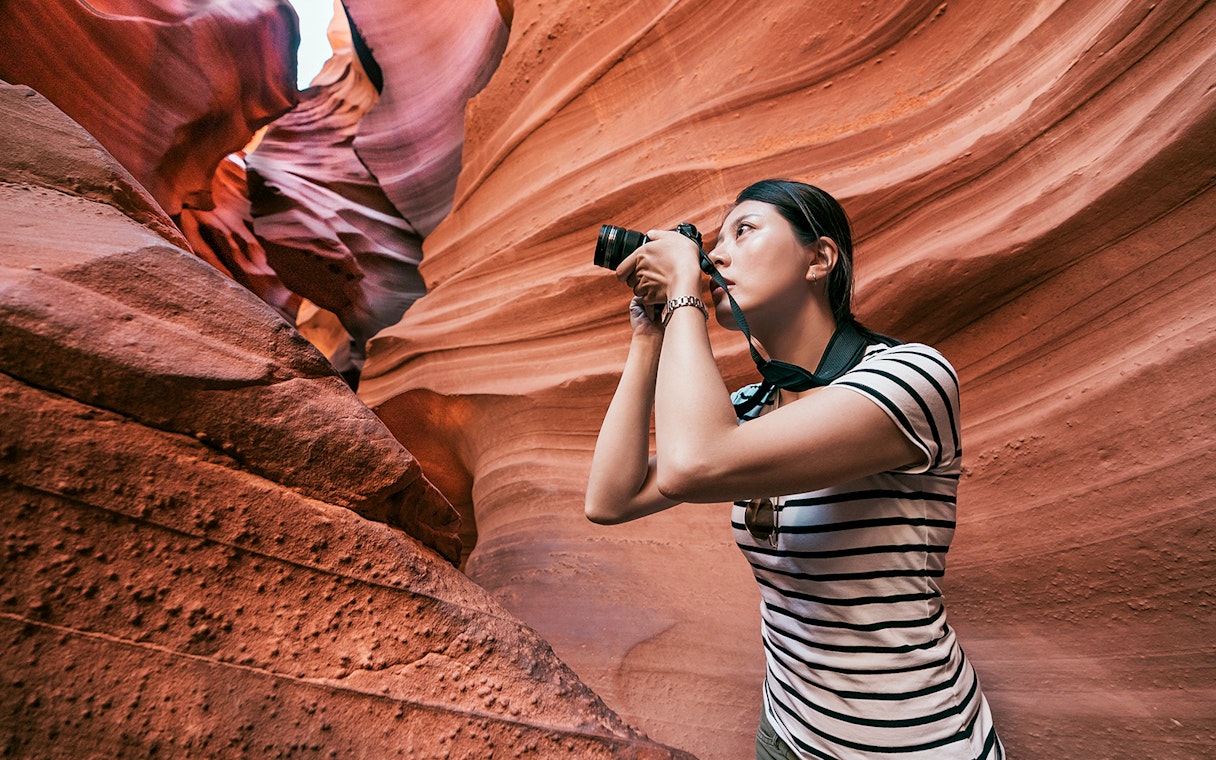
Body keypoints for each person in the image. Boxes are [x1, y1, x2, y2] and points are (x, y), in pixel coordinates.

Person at [584, 179, 1003, 759]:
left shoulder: (911, 377)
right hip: (785, 731)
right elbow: (609, 499)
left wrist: (684, 291)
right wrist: (647, 334)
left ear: (820, 258)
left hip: (908, 741)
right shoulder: (751, 408)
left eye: (744, 229)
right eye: (711, 243)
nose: (715, 256)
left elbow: (694, 463)